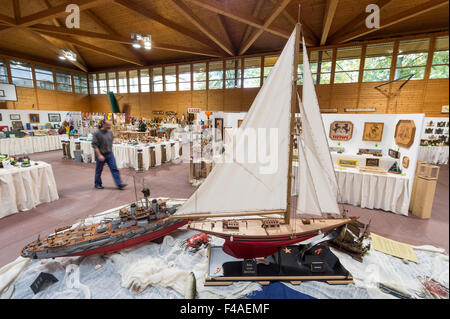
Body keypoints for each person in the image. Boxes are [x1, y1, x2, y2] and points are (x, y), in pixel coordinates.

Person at [92, 120, 127, 190]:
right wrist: (99, 155)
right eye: (108, 125)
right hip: (101, 154)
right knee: (99, 170)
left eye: (110, 125)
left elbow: (110, 141)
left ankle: (119, 184)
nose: (109, 127)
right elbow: (94, 145)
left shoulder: (110, 132)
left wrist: (116, 142)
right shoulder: (97, 133)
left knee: (114, 168)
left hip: (110, 154)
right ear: (103, 124)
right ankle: (97, 184)